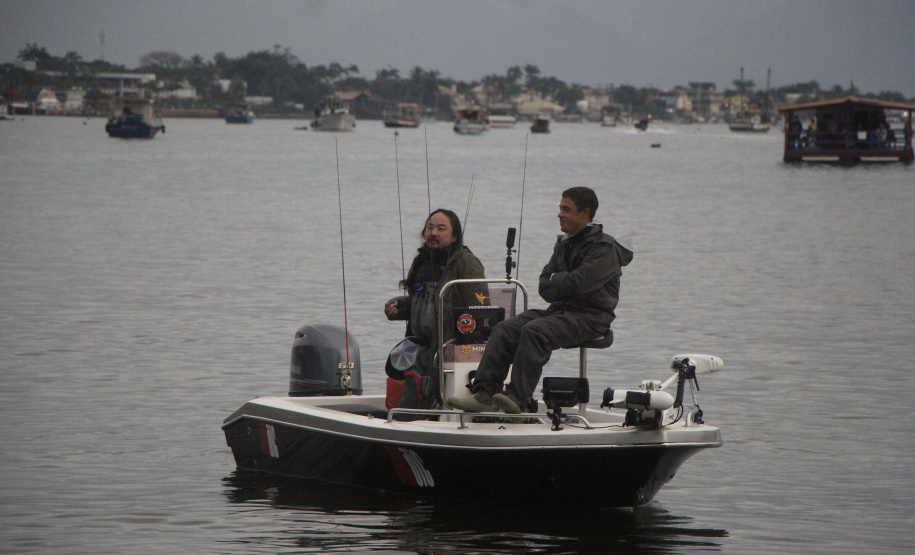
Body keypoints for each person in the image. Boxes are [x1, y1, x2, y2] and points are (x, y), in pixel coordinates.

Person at [448, 187, 633, 414]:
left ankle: (517, 399)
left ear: (585, 214)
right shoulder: (565, 243)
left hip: (591, 318)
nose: (559, 214)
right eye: (560, 208)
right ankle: (484, 394)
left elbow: (580, 284)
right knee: (505, 329)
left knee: (535, 331)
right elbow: (545, 286)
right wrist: (562, 283)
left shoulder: (604, 249)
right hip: (560, 310)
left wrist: (561, 281)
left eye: (566, 209)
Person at [385, 209, 488, 409]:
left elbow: (480, 310)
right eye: (430, 227)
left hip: (446, 352)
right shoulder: (421, 260)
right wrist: (400, 307)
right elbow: (422, 302)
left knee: (435, 403)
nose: (433, 233)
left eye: (441, 229)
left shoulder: (466, 262)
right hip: (417, 351)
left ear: (454, 236)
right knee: (408, 405)